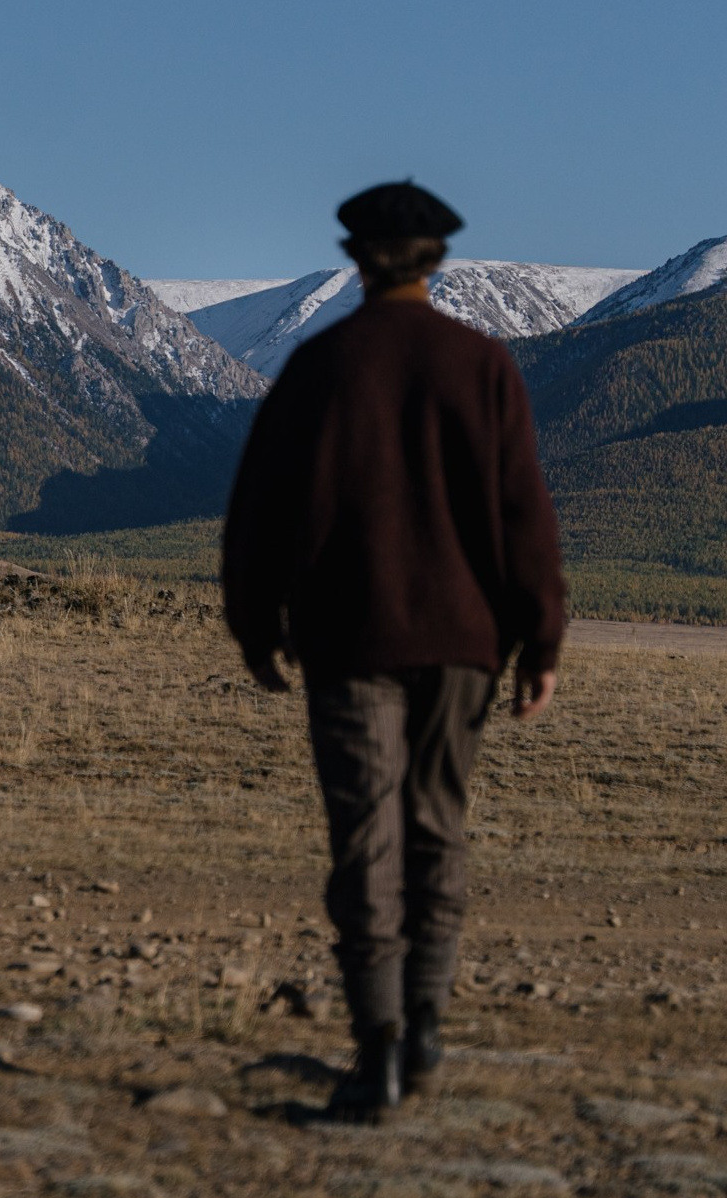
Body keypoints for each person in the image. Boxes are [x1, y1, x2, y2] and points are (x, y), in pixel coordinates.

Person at [222, 181, 565, 1123]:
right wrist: (540, 635)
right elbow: (521, 510)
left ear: (355, 257)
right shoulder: (481, 364)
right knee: (435, 826)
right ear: (436, 260)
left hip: (348, 638)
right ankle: (425, 1028)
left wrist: (255, 626)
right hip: (463, 641)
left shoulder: (320, 368)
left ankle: (372, 1051)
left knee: (364, 838)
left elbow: (258, 514)